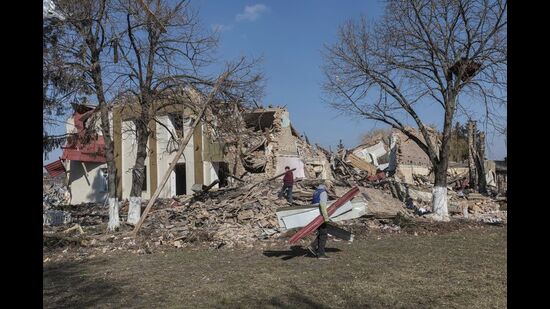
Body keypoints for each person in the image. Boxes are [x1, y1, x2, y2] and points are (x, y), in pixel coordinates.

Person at [308, 184, 330, 259]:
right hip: (321, 216)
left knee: (321, 233)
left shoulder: (315, 192)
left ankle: (313, 246)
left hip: (315, 215)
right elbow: (323, 205)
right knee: (323, 235)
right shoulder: (323, 193)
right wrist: (326, 217)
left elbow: (313, 203)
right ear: (325, 187)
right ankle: (321, 254)